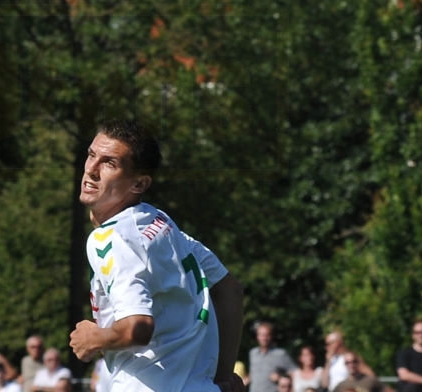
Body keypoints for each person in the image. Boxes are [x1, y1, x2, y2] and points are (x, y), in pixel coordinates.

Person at [69, 120, 245, 392]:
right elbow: (230, 290)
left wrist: (94, 338)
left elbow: (137, 328)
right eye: (92, 155)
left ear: (139, 183)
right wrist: (221, 378)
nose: (91, 170)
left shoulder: (109, 239)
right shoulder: (160, 223)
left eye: (109, 163)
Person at [249, 323, 296, 392]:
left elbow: (295, 373)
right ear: (257, 336)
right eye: (261, 335)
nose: (264, 338)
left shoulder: (280, 354)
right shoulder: (253, 353)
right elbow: (253, 374)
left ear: (271, 336)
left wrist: (280, 377)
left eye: (267, 335)